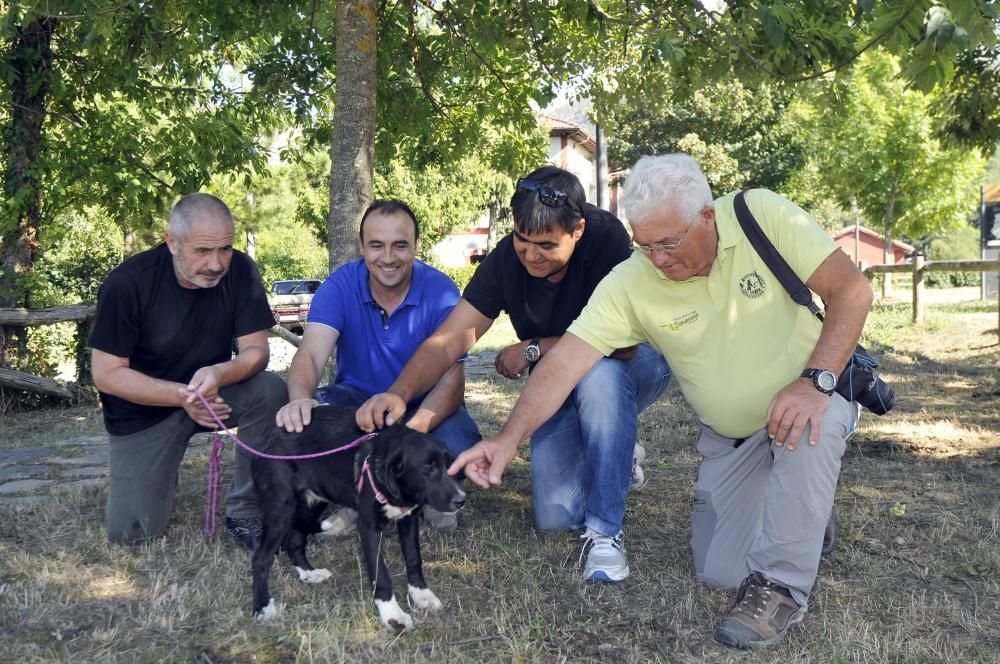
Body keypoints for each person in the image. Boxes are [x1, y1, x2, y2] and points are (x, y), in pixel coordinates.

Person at [448, 154, 874, 649]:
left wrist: (814, 380)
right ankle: (805, 513)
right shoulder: (634, 279)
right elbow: (565, 364)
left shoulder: (762, 214)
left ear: (708, 217)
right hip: (733, 435)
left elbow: (852, 291)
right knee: (718, 570)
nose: (658, 260)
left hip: (810, 396)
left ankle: (780, 589)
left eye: (669, 243)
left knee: (805, 431)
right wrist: (505, 440)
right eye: (645, 245)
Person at [356, 167, 671, 582]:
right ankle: (615, 448)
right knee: (555, 517)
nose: (531, 254)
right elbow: (450, 338)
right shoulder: (507, 259)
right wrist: (400, 392)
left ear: (577, 230)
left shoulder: (608, 239)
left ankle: (605, 533)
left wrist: (534, 347)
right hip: (556, 384)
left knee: (601, 377)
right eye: (522, 240)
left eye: (545, 245)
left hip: (634, 361)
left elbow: (624, 342)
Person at [90, 193, 286, 551]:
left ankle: (247, 508)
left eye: (225, 249)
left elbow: (257, 352)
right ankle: (159, 472)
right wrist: (182, 396)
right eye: (202, 251)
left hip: (213, 395)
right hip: (144, 412)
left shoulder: (240, 270)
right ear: (172, 243)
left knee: (271, 390)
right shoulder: (128, 283)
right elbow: (106, 374)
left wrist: (219, 373)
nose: (216, 263)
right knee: (133, 533)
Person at [275, 199, 480, 533]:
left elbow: (452, 382)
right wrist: (299, 398)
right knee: (313, 422)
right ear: (362, 247)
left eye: (400, 245)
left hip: (422, 407)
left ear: (417, 245)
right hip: (356, 403)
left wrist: (407, 438)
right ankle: (359, 496)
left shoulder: (441, 291)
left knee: (460, 443)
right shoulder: (340, 285)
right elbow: (310, 354)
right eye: (376, 245)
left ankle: (413, 493)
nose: (387, 257)